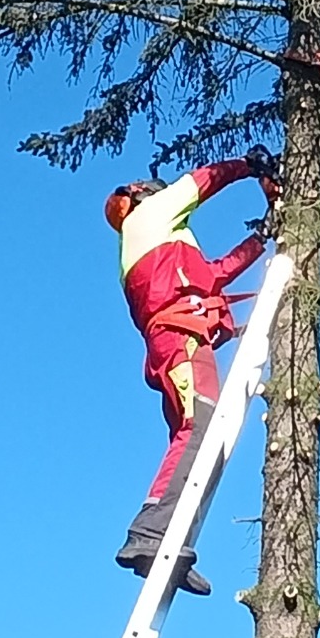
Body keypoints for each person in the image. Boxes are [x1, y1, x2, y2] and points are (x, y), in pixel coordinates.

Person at [105, 148, 280, 594]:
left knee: (199, 439)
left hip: (176, 341)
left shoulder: (166, 247)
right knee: (202, 430)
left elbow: (214, 276)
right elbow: (201, 181)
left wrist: (260, 239)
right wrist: (249, 164)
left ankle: (168, 539)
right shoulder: (150, 215)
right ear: (144, 195)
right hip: (181, 339)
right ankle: (151, 531)